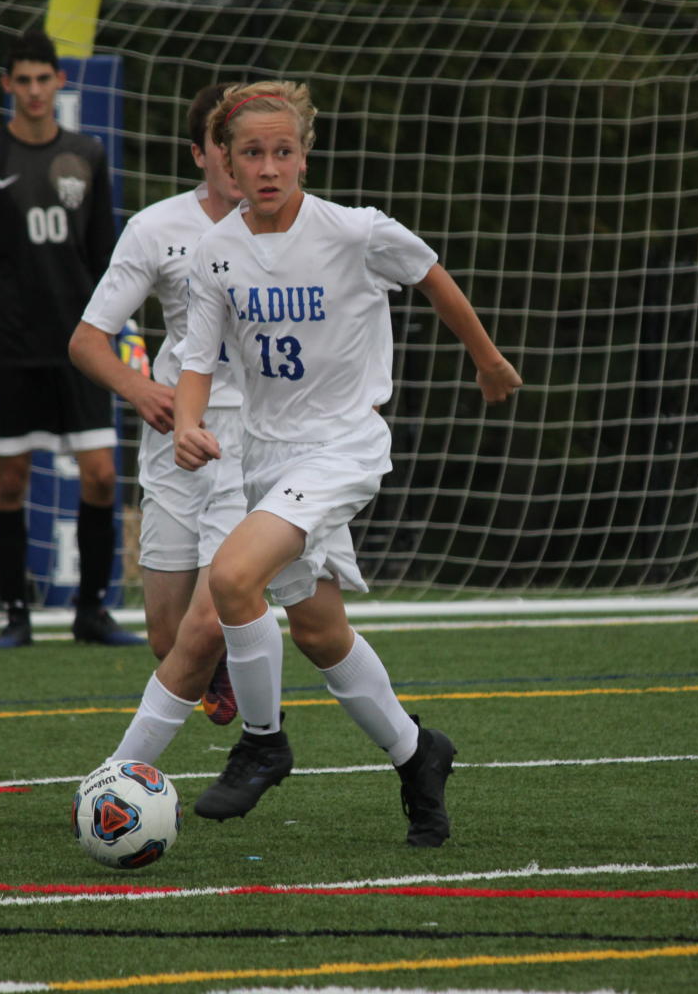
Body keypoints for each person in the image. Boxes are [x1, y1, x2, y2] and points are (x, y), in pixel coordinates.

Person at [170, 81, 523, 846]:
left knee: (232, 578)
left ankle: (263, 742)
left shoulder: (355, 232)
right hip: (268, 455)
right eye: (253, 153)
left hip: (344, 447)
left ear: (304, 155)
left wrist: (488, 360)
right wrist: (188, 423)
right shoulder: (215, 252)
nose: (269, 167)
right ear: (225, 162)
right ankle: (418, 755)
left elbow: (430, 274)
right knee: (320, 632)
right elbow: (199, 359)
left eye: (284, 152)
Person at [0, 27, 142, 649]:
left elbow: (107, 258)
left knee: (100, 476)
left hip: (83, 348)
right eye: (25, 80)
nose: (36, 90)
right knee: (11, 479)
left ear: (59, 82)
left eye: (45, 79)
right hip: (12, 347)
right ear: (7, 84)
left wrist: (128, 329)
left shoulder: (88, 155)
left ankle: (92, 612)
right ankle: (14, 613)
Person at [68, 83, 247, 757]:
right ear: (201, 153)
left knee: (214, 614)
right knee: (168, 638)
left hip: (257, 441)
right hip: (177, 432)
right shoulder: (155, 228)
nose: (242, 160)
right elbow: (87, 340)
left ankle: (136, 765)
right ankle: (226, 666)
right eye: (227, 144)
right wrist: (140, 390)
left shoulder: (300, 225)